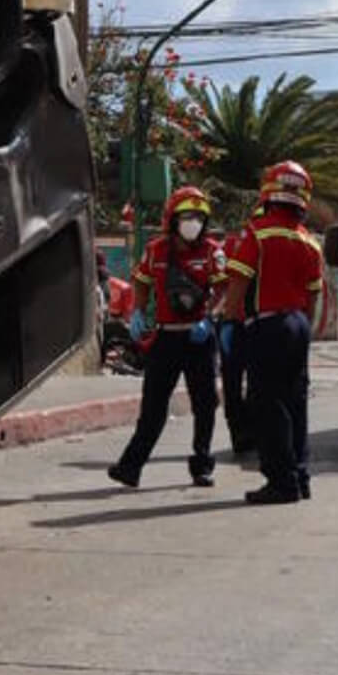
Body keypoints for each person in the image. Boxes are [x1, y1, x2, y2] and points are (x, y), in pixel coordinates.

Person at [107, 186, 226, 489]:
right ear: (173, 219)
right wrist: (137, 311)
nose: (193, 222)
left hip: (199, 339)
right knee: (153, 406)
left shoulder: (213, 251)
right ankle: (130, 467)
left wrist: (210, 316)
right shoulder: (156, 250)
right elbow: (142, 280)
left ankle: (202, 465)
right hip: (166, 338)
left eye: (199, 217)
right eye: (187, 216)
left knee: (204, 404)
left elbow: (224, 289)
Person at [221, 161, 325, 505]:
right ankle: (300, 475)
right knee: (296, 401)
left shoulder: (259, 233)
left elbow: (237, 285)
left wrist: (231, 323)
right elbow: (313, 296)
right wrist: (305, 328)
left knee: (267, 403)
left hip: (267, 325)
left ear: (268, 194)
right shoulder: (310, 242)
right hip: (297, 324)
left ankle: (282, 482)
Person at [215, 203, 266, 456]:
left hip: (258, 324)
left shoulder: (277, 247)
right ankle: (240, 434)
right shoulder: (235, 245)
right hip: (236, 323)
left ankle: (253, 430)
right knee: (233, 385)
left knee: (258, 384)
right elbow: (223, 284)